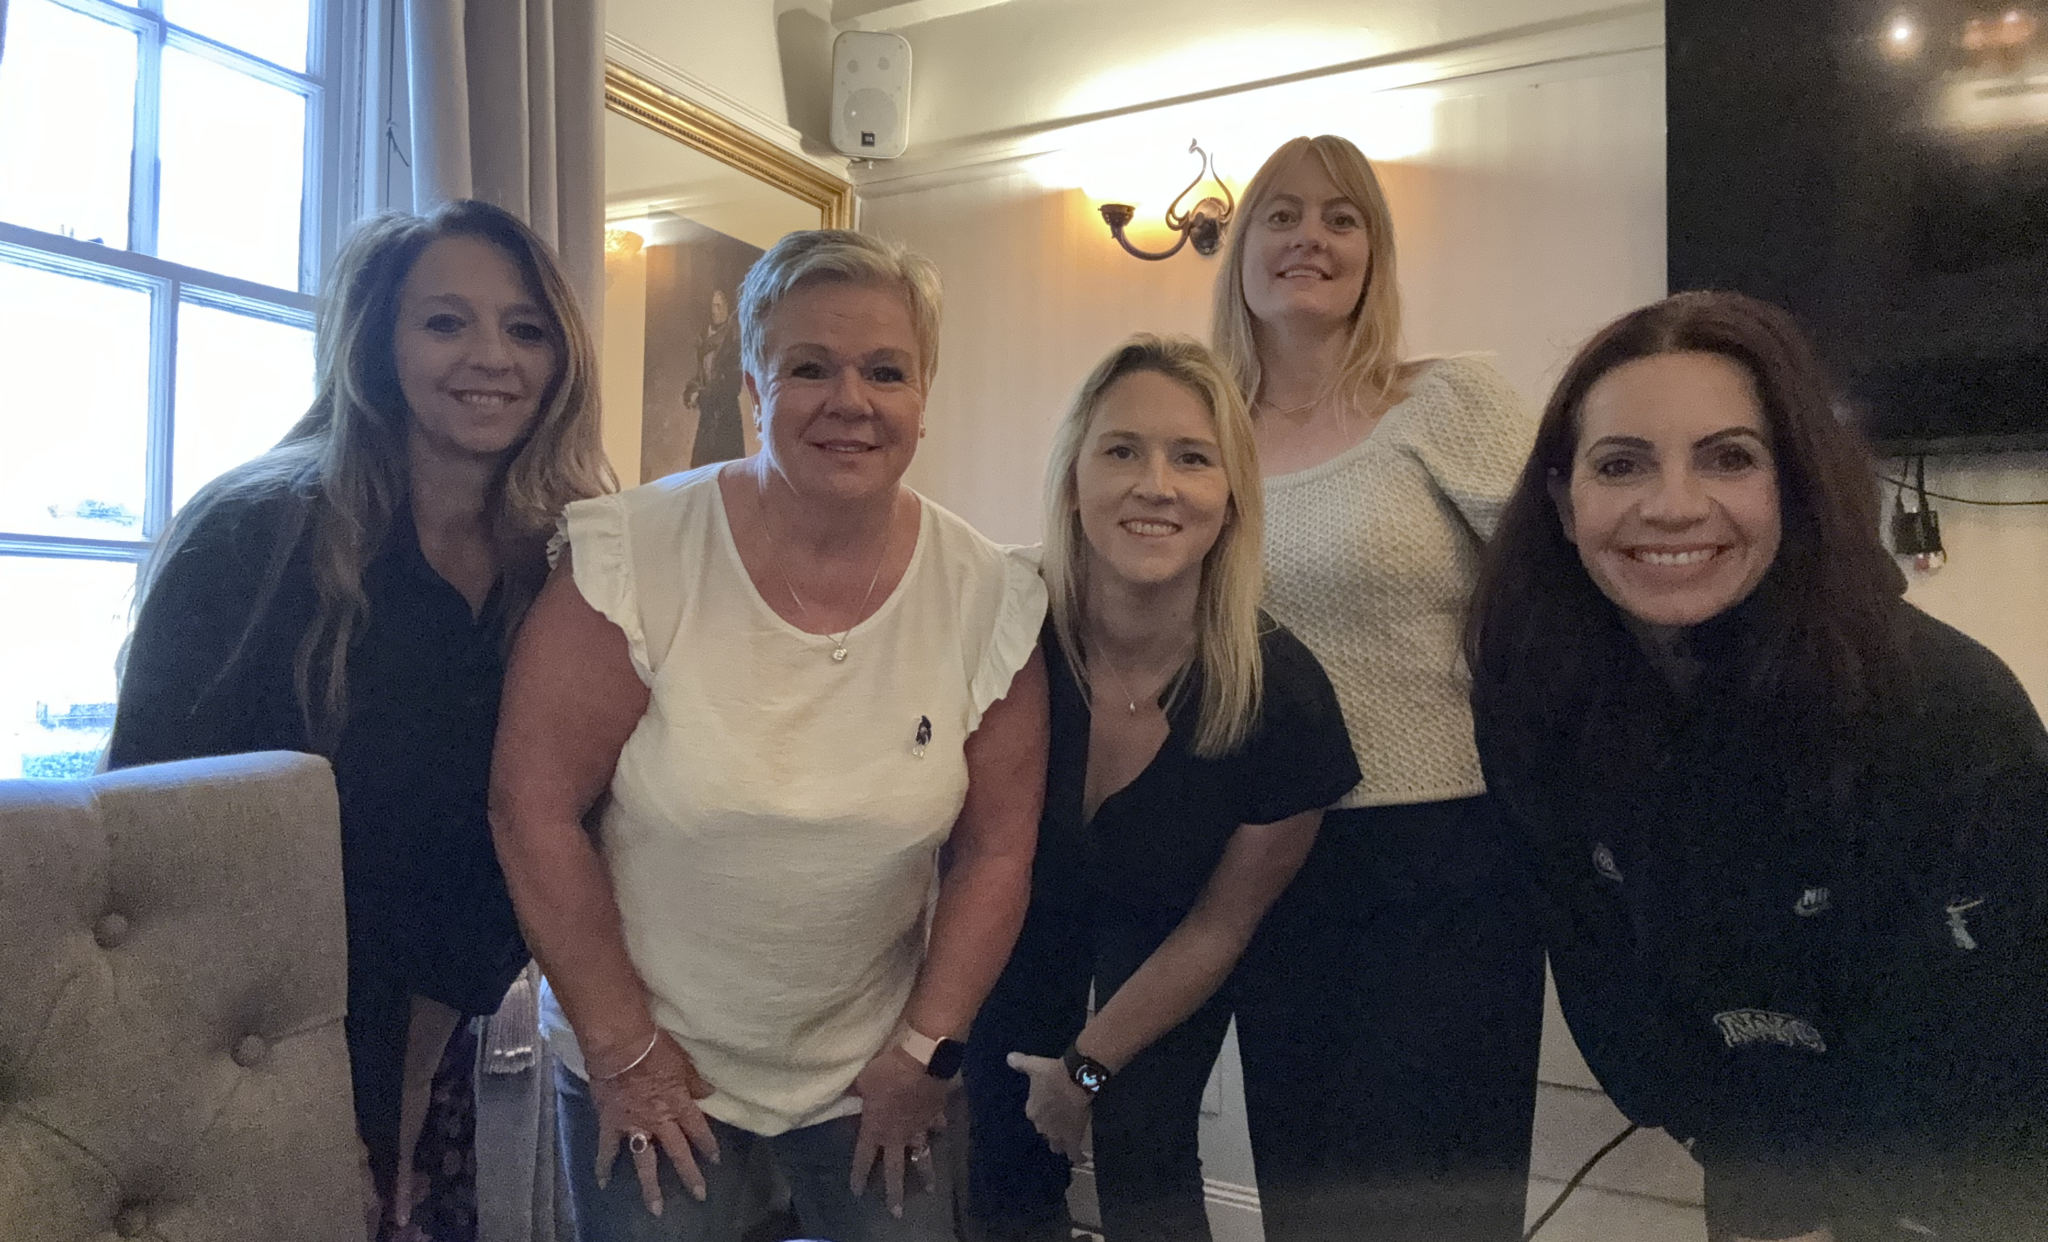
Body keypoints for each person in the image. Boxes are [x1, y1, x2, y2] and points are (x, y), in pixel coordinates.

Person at [489, 228, 1051, 1242]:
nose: (851, 400)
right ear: (753, 387)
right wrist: (622, 1052)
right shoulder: (634, 557)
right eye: (808, 367)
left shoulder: (988, 595)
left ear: (923, 399)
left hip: (876, 1069)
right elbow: (531, 809)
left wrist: (926, 1049)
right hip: (650, 1060)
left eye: (886, 371)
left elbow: (997, 849)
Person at [1466, 290, 2048, 1242]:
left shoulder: (1951, 715)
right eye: (1621, 464)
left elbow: (1985, 1041)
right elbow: (1597, 960)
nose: (1673, 504)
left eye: (1729, 457)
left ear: (1796, 488)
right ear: (1563, 504)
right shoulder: (1535, 696)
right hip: (1748, 1145)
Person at [107, 199, 612, 1241]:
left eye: (525, 329)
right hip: (249, 1045)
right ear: (378, 339)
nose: (490, 357)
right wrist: (273, 1084)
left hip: (454, 1038)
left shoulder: (561, 562)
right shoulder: (255, 533)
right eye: (444, 323)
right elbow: (145, 836)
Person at [1207, 133, 1545, 1241]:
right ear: (1240, 247)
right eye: (1281, 213)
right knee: (1309, 1194)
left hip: (1444, 863)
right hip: (1267, 859)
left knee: (1437, 1199)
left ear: (1373, 253)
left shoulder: (1448, 399)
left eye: (1341, 217)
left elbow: (1560, 601)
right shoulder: (1198, 440)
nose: (1310, 235)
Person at [961, 336, 1360, 1242]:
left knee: (1142, 1146)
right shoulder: (998, 633)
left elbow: (1219, 927)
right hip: (1017, 917)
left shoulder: (1281, 695)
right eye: (1121, 451)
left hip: (1171, 935)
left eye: (1191, 457)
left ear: (1230, 499)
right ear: (1073, 480)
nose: (1156, 484)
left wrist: (1085, 1073)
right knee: (1002, 1159)